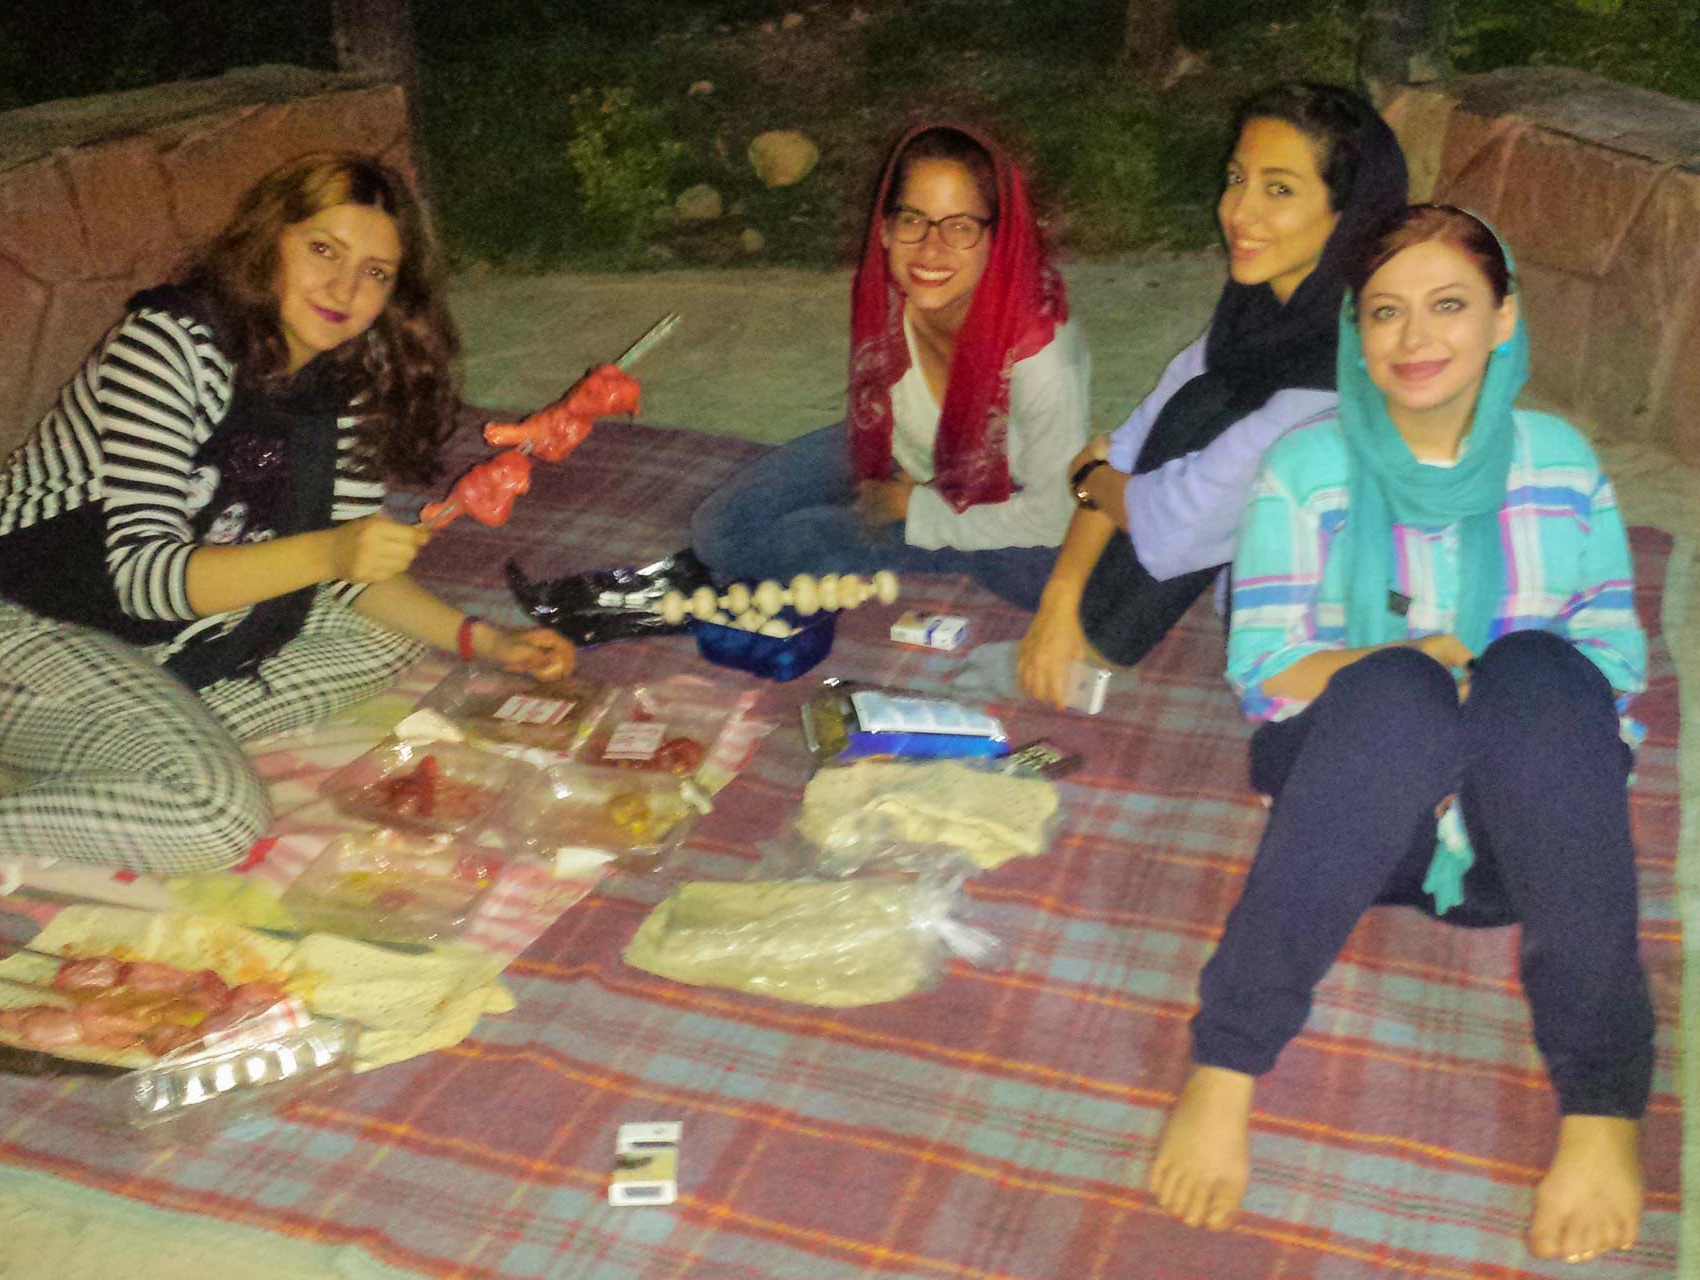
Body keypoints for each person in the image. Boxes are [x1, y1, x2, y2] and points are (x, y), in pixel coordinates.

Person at [0, 152, 576, 975]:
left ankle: (128, 753)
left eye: (374, 272)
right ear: (271, 241)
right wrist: (332, 551)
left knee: (388, 640)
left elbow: (350, 575)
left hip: (150, 646)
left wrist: (488, 643)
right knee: (218, 818)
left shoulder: (339, 377)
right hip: (14, 626)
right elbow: (149, 580)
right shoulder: (169, 344)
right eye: (324, 251)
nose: (345, 289)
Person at [1148, 205, 1650, 1265]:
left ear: (1505, 318)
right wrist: (1421, 665)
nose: (1415, 338)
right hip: (1358, 820)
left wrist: (1492, 702)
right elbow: (1267, 671)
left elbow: (1613, 660)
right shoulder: (1308, 467)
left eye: (1450, 304)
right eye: (1385, 312)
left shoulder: (1561, 462)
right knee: (1400, 694)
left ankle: (1602, 1108)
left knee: (1543, 673)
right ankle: (1226, 1065)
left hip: (1531, 838)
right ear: (1355, 332)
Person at [1017, 82, 1407, 703]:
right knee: (1197, 408)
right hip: (1254, 578)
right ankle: (1082, 636)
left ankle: (1094, 646)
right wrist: (1057, 602)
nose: (1238, 213)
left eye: (1278, 189)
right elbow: (1130, 443)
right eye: (1236, 179)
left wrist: (1093, 478)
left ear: (1348, 212)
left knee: (1197, 432)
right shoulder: (1256, 312)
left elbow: (1175, 523)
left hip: (1360, 624)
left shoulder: (1350, 363)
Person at [690, 123, 1088, 608]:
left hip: (1001, 493)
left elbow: (1051, 515)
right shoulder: (890, 296)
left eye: (960, 226)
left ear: (997, 239)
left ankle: (917, 538)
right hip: (893, 448)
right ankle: (907, 536)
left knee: (1044, 578)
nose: (930, 249)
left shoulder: (1042, 354)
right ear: (884, 227)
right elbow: (874, 419)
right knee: (719, 532)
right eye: (912, 220)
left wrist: (914, 508)